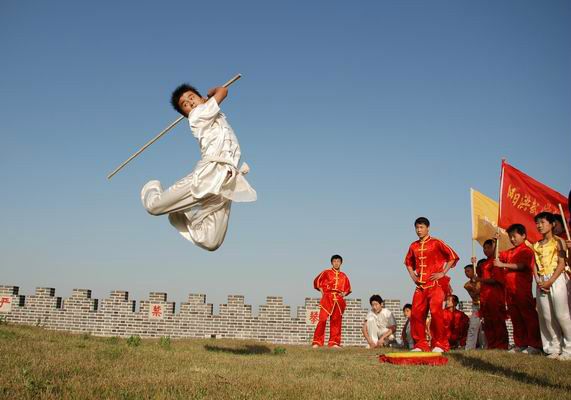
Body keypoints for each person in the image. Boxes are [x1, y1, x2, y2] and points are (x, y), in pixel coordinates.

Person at [141, 83, 257, 251]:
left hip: (226, 181)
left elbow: (214, 108)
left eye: (192, 98)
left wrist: (207, 100)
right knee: (154, 207)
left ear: (202, 99)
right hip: (208, 175)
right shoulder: (197, 116)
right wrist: (212, 93)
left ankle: (181, 211)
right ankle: (153, 187)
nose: (191, 103)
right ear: (187, 114)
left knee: (211, 242)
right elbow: (223, 92)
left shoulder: (216, 116)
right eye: (185, 105)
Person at [404, 217, 459, 352]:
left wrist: (443, 272)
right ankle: (420, 344)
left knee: (436, 313)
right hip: (420, 286)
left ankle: (439, 344)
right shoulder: (413, 246)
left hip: (436, 284)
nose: (419, 230)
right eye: (417, 227)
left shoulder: (436, 242)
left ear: (428, 228)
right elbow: (408, 262)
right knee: (416, 314)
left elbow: (452, 256)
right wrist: (412, 276)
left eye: (421, 227)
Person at [494, 224, 542, 354]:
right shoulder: (509, 252)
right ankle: (520, 344)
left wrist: (503, 264)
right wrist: (495, 241)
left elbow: (522, 266)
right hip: (509, 291)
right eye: (510, 237)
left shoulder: (526, 251)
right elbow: (496, 257)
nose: (512, 239)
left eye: (514, 236)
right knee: (515, 318)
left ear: (523, 236)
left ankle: (534, 344)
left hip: (521, 289)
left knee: (528, 316)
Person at [532, 212, 571, 360]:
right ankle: (553, 347)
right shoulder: (536, 245)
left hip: (557, 279)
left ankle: (568, 349)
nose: (539, 225)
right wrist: (538, 280)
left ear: (552, 224)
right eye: (537, 223)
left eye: (543, 222)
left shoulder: (559, 241)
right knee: (546, 316)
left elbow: (562, 264)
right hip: (542, 281)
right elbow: (535, 264)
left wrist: (550, 281)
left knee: (562, 314)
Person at [474, 240, 508, 350]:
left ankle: (501, 344)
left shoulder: (496, 262)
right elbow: (477, 275)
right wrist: (474, 264)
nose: (486, 250)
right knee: (487, 321)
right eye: (484, 248)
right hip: (485, 296)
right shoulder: (485, 263)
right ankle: (492, 344)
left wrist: (480, 279)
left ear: (495, 248)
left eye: (489, 247)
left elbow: (495, 280)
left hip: (494, 295)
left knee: (497, 320)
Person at [312, 255, 352, 348]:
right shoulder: (326, 272)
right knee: (322, 319)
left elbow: (348, 288)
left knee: (336, 322)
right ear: (332, 262)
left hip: (338, 299)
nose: (336, 263)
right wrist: (323, 293)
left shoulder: (344, 276)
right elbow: (317, 282)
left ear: (341, 263)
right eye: (334, 261)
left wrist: (344, 294)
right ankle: (317, 342)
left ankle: (334, 342)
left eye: (338, 261)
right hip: (327, 298)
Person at [463, 264, 486, 349]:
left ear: (474, 271)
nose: (466, 273)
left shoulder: (483, 279)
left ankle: (487, 346)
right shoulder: (467, 284)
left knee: (486, 327)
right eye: (465, 272)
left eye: (468, 271)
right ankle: (469, 348)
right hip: (476, 306)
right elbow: (474, 294)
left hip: (486, 304)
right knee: (473, 326)